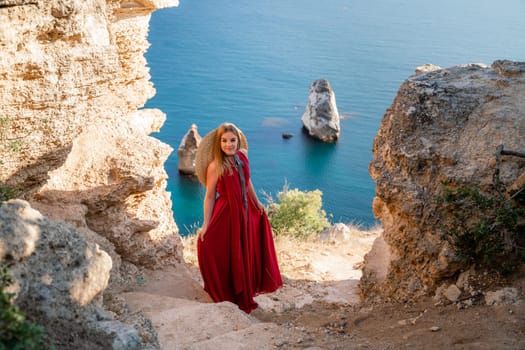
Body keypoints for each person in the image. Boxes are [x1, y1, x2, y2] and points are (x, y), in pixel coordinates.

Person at [194, 122, 283, 313]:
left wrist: (257, 202)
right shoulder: (215, 166)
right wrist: (206, 224)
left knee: (245, 249)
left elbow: (247, 181)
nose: (229, 144)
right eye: (224, 141)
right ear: (218, 143)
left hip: (244, 209)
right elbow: (210, 197)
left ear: (238, 141)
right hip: (226, 212)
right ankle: (229, 291)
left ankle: (246, 290)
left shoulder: (243, 156)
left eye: (232, 140)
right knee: (216, 247)